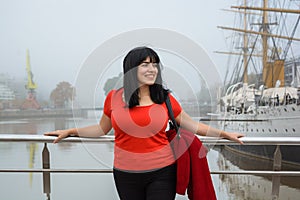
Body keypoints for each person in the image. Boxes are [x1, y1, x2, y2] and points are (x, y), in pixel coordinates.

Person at [45, 46, 244, 200]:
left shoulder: (165, 99)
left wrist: (225, 134)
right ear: (132, 70)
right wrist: (70, 131)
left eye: (154, 64)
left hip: (162, 172)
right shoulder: (114, 98)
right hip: (125, 174)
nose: (152, 69)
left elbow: (194, 126)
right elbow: (101, 129)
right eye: (145, 64)